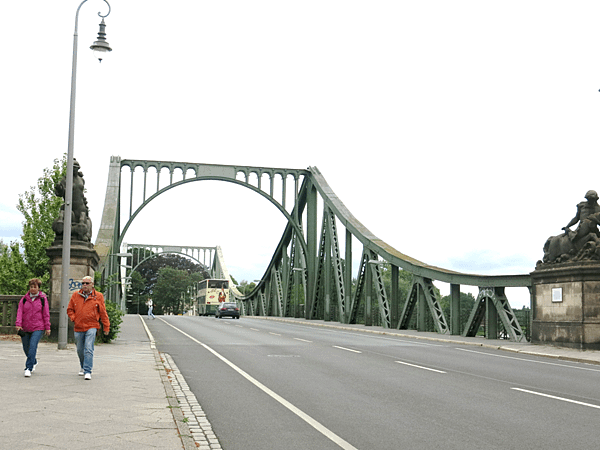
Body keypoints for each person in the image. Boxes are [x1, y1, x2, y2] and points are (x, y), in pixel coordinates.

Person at [67, 276, 110, 380]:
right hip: (78, 326)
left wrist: (106, 326)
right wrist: (74, 318)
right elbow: (70, 309)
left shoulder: (98, 296)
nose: (84, 285)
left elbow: (103, 312)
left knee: (88, 348)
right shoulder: (75, 295)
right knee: (80, 349)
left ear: (92, 284)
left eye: (87, 283)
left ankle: (87, 370)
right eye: (83, 283)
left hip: (92, 326)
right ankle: (82, 366)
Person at [15, 278, 51, 377]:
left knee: (33, 346)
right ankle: (33, 361)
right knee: (26, 348)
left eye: (35, 287)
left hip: (38, 327)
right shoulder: (24, 299)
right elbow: (19, 312)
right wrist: (18, 324)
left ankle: (28, 368)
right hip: (25, 327)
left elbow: (46, 314)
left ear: (39, 288)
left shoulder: (43, 299)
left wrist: (47, 327)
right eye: (31, 287)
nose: (33, 289)